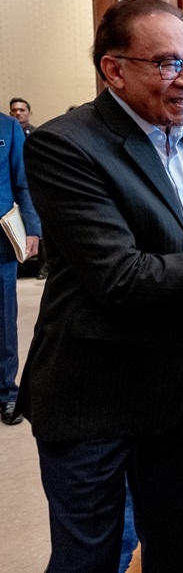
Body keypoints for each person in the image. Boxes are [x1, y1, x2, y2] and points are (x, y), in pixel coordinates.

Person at [14, 0, 183, 572]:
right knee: (91, 556)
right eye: (168, 63)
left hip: (175, 388)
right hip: (93, 394)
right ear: (114, 69)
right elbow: (120, 276)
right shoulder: (65, 145)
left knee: (172, 544)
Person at [0, 112, 40, 425]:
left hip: (1, 239)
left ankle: (6, 391)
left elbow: (23, 183)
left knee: (4, 316)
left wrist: (32, 229)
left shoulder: (8, 127)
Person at [9, 97, 47, 279]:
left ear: (29, 113)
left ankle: (44, 266)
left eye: (22, 110)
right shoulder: (5, 133)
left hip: (35, 187)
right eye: (14, 110)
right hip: (14, 189)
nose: (18, 113)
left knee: (40, 225)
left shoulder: (38, 134)